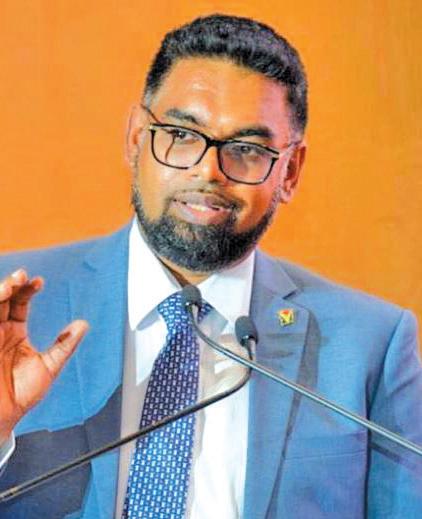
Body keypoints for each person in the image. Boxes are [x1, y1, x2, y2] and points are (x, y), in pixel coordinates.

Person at [0, 13, 421, 519]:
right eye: (181, 134)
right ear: (136, 139)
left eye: (246, 149)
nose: (208, 171)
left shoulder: (369, 345)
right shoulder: (12, 310)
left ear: (290, 171)